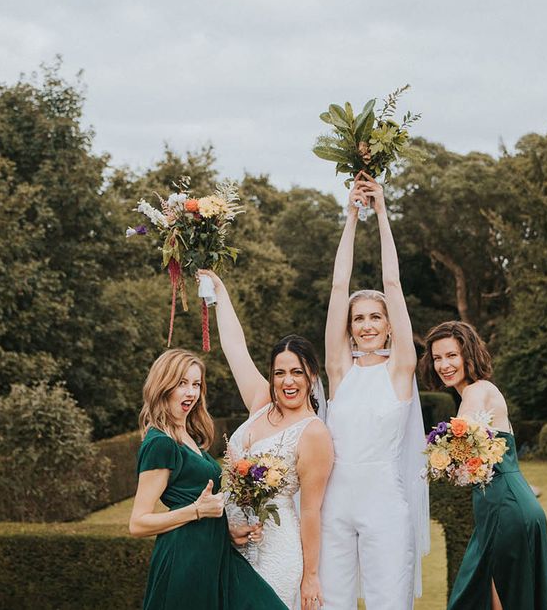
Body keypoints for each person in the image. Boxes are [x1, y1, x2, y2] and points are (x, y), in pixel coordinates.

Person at [319, 173, 430, 609]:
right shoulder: (339, 370)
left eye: (374, 318)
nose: (366, 325)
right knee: (332, 602)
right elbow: (337, 287)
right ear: (350, 327)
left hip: (386, 504)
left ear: (387, 325)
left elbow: (393, 284)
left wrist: (382, 213)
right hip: (335, 504)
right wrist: (351, 216)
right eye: (358, 319)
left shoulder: (401, 370)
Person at [203, 270, 334, 610]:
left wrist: (311, 576)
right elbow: (234, 346)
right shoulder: (262, 403)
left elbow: (310, 512)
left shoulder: (314, 433)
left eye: (296, 373)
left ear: (312, 377)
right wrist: (220, 291)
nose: (287, 382)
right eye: (280, 373)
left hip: (276, 548)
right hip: (231, 542)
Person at [129, 348, 286, 610]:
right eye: (182, 383)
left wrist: (229, 532)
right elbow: (138, 523)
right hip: (187, 559)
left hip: (216, 552)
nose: (191, 392)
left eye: (196, 384)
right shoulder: (160, 443)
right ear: (163, 385)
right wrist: (197, 511)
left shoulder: (189, 437)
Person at [420, 321, 547, 610]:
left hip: (505, 510)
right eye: (437, 358)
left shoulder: (477, 391)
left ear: (468, 355)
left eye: (451, 355)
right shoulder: (476, 392)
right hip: (501, 507)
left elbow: (460, 439)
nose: (444, 364)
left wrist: (429, 448)